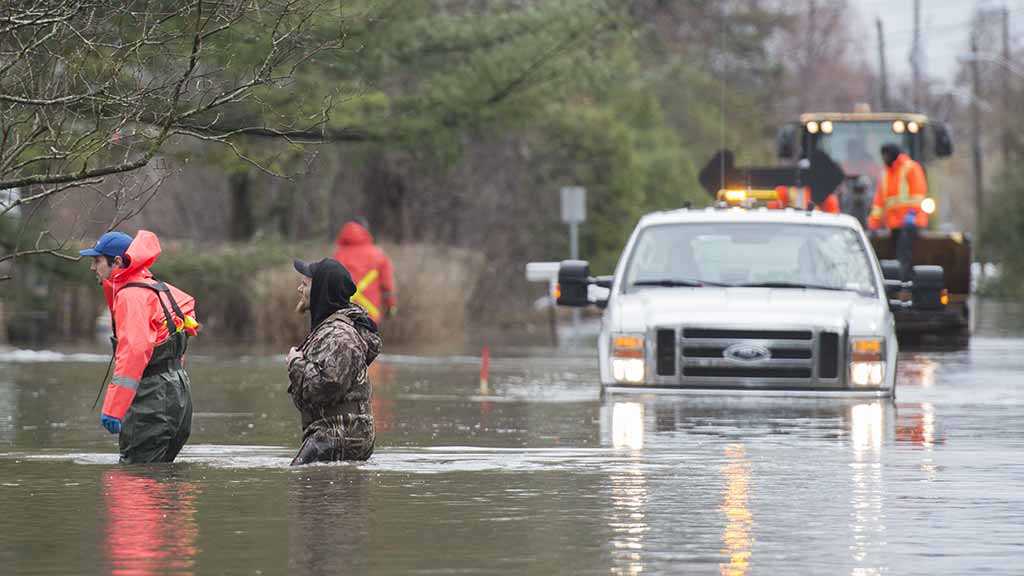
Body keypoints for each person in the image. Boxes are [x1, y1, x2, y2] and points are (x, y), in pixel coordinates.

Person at [81, 230, 199, 463]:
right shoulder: (159, 288)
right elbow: (183, 330)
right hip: (179, 395)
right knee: (162, 483)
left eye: (97, 261)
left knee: (135, 483)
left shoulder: (131, 295)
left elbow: (134, 351)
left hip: (152, 401)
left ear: (116, 261)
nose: (92, 268)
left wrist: (114, 409)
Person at [287, 257, 381, 465]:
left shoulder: (340, 336)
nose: (299, 289)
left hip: (337, 436)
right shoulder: (329, 329)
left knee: (301, 482)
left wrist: (295, 363)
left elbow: (327, 388)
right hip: (334, 434)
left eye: (305, 284)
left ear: (321, 291)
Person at [867, 143, 929, 279]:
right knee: (892, 252)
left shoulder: (911, 168)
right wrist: (872, 225)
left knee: (904, 252)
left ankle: (904, 281)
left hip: (911, 222)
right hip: (894, 224)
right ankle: (891, 280)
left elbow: (918, 194)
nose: (884, 158)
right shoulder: (886, 175)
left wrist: (912, 214)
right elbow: (878, 204)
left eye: (886, 155)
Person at [332, 220, 397, 324]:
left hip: (343, 316)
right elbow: (387, 287)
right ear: (365, 231)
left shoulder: (337, 255)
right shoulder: (378, 254)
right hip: (370, 315)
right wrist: (390, 307)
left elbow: (330, 287)